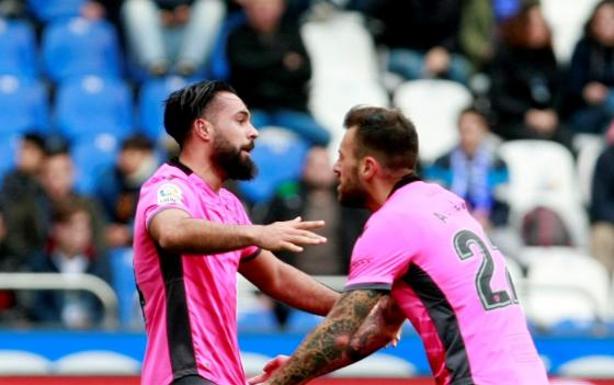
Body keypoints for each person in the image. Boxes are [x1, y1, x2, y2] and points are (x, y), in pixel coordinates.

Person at [254, 106, 549, 385]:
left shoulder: (391, 224)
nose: (335, 168)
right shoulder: (441, 201)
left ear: (368, 167)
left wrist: (279, 381)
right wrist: (298, 366)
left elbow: (338, 333)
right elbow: (382, 325)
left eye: (342, 157)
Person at [133, 80, 344, 385]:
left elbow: (277, 278)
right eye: (241, 120)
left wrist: (353, 308)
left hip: (223, 377)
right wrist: (255, 233)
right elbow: (172, 231)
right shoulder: (168, 187)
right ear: (203, 129)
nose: (253, 132)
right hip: (184, 372)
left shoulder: (229, 204)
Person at [226, 0, 330, 146]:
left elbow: (306, 72)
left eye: (269, 7)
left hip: (289, 108)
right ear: (248, 9)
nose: (264, 13)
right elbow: (243, 70)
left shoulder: (292, 32)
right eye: (259, 8)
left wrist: (264, 67)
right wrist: (282, 59)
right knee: (232, 139)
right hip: (254, 108)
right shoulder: (237, 36)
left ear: (281, 8)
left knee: (323, 136)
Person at [489, 3, 573, 148]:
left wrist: (551, 113)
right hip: (514, 120)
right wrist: (527, 114)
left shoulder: (549, 57)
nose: (537, 30)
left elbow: (560, 91)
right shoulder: (506, 56)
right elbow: (498, 97)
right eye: (532, 25)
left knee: (566, 138)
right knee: (536, 140)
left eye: (541, 24)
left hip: (546, 118)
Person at [30, 200, 111, 329]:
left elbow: (103, 308)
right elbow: (37, 306)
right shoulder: (40, 263)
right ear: (57, 229)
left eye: (86, 228)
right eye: (76, 229)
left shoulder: (99, 263)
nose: (83, 234)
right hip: (51, 335)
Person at [566, 0, 614, 135]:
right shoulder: (584, 47)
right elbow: (571, 83)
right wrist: (586, 90)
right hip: (589, 109)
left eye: (611, 19)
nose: (606, 24)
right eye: (601, 19)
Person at [590, 122, 614, 277]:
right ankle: (603, 287)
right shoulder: (606, 159)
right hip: (610, 222)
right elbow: (599, 202)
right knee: (601, 235)